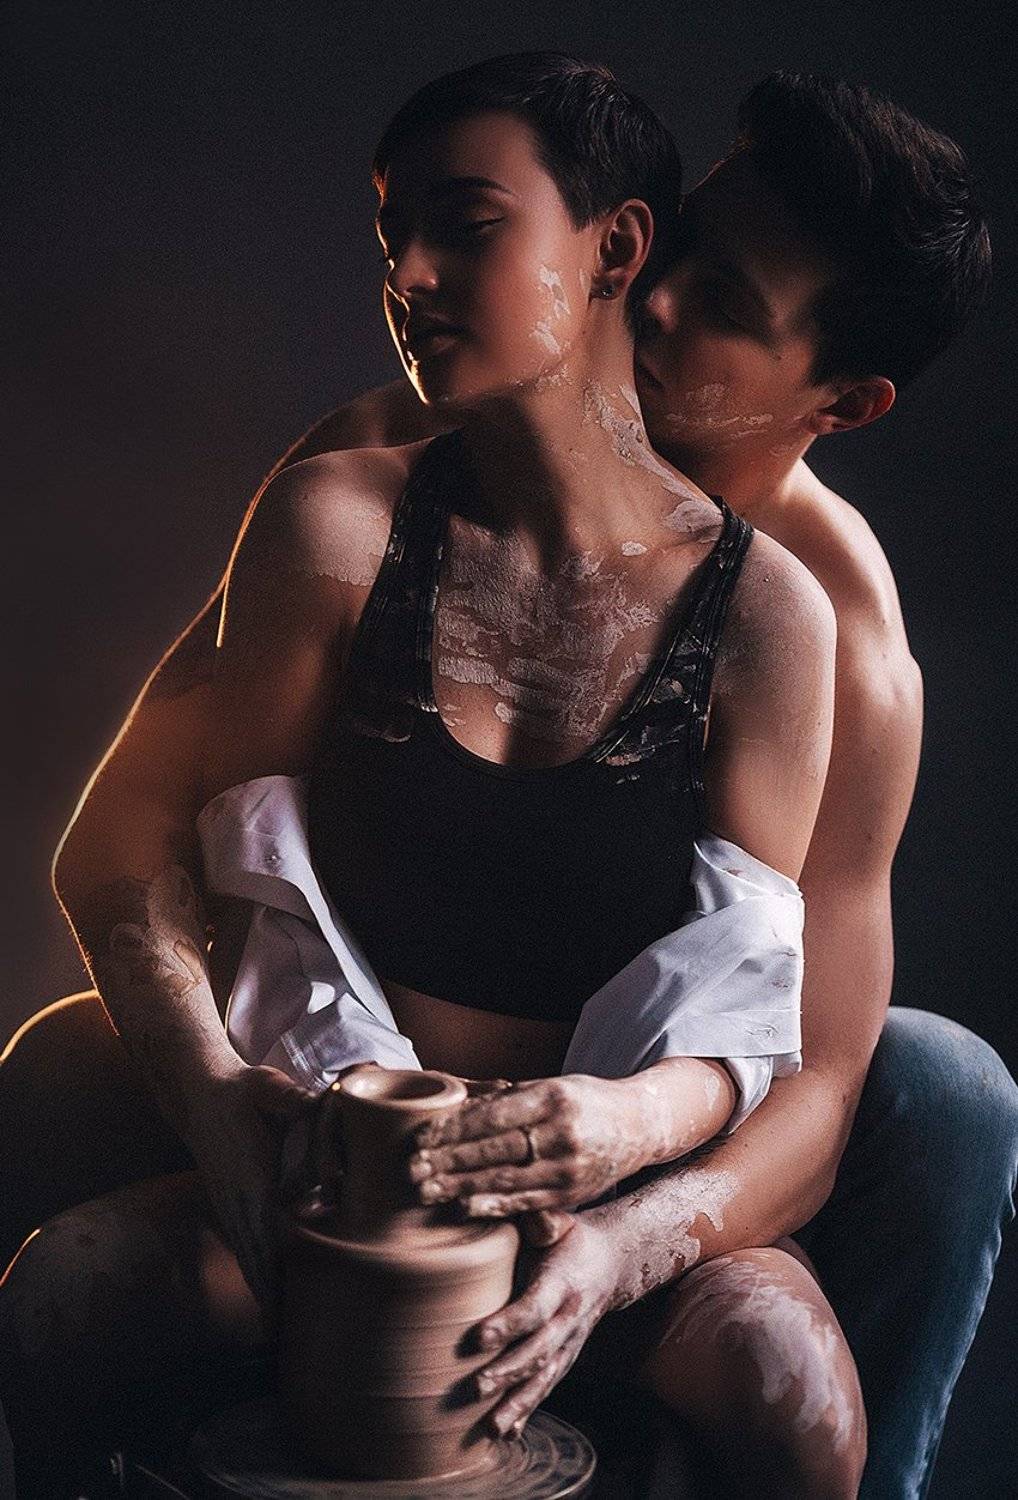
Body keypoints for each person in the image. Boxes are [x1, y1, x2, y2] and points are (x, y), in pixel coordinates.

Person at [0, 59, 1013, 1500]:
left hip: (640, 1134)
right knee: (58, 1068)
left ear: (842, 403)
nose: (656, 301)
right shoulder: (378, 474)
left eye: (727, 306)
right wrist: (235, 1099)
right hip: (355, 1090)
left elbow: (814, 1075)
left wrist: (626, 1223)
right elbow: (122, 840)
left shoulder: (827, 639)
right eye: (677, 246)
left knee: (947, 1090)